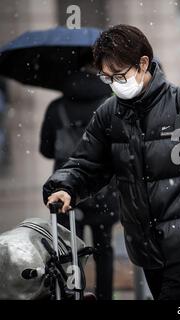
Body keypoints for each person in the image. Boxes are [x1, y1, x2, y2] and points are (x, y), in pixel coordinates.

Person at [42, 24, 180, 300]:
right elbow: (88, 163)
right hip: (144, 241)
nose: (114, 84)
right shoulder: (109, 114)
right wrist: (66, 185)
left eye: (119, 75)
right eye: (107, 78)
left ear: (143, 63)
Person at [40, 70, 119, 300]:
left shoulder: (57, 108)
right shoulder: (109, 104)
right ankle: (105, 296)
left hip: (65, 191)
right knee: (104, 249)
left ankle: (73, 294)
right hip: (103, 190)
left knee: (68, 251)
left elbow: (45, 149)